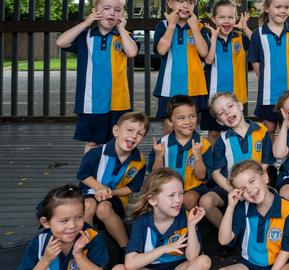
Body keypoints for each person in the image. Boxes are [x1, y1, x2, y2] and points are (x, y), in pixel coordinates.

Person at [55, 0, 138, 152]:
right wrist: (87, 22)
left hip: (118, 101)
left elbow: (132, 52)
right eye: (106, 8)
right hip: (91, 102)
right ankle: (88, 175)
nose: (112, 13)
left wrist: (121, 29)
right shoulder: (85, 36)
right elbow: (61, 42)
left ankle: (110, 176)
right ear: (95, 11)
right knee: (92, 143)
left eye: (117, 10)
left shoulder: (123, 36)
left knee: (117, 142)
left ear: (122, 14)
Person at [199, 92, 275, 229]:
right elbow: (215, 173)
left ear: (240, 106)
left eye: (230, 106)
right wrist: (232, 191)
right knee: (206, 201)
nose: (227, 113)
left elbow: (266, 163)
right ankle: (229, 233)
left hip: (256, 185)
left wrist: (254, 185)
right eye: (221, 113)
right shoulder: (222, 140)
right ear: (219, 121)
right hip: (232, 188)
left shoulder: (262, 131)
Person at [77, 112, 149, 251]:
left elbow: (133, 187)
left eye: (140, 133)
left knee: (103, 208)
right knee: (88, 205)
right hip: (90, 192)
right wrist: (99, 188)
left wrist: (111, 193)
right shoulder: (97, 153)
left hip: (115, 199)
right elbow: (83, 175)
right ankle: (87, 247)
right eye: (129, 130)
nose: (134, 136)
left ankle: (127, 248)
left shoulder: (139, 161)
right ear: (116, 130)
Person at [114, 168, 211, 270]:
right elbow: (130, 264)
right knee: (118, 268)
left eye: (181, 193)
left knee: (204, 260)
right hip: (151, 268)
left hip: (179, 267)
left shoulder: (186, 216)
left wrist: (191, 226)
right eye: (171, 195)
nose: (178, 200)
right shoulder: (141, 222)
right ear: (152, 200)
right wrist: (164, 248)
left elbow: (192, 257)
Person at [218, 160, 289, 270]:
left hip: (279, 265)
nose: (250, 190)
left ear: (265, 178)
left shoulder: (287, 209)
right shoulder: (242, 208)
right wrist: (230, 206)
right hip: (250, 264)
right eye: (243, 189)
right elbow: (224, 240)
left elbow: (286, 250)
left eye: (251, 181)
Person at [153, 0, 210, 134]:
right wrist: (171, 26)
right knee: (169, 127)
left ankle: (191, 157)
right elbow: (161, 49)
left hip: (194, 86)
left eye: (190, 2)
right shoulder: (163, 25)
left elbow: (204, 53)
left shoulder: (199, 26)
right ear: (170, 4)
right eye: (181, 1)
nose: (186, 5)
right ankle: (167, 157)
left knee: (191, 127)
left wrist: (195, 28)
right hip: (169, 87)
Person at [248, 0, 289, 138]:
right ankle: (269, 160)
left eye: (286, 7)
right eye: (278, 7)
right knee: (269, 129)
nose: (282, 11)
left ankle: (288, 160)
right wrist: (265, 79)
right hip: (268, 94)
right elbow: (255, 62)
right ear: (266, 8)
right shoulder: (259, 34)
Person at [19, 185, 109, 270]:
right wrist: (45, 260)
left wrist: (78, 255)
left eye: (79, 217)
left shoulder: (92, 237)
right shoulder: (39, 242)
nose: (72, 226)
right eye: (64, 220)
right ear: (46, 222)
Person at [148, 95, 212, 210]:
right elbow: (156, 175)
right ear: (170, 121)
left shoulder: (203, 144)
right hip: (167, 188)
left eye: (192, 116)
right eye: (181, 118)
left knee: (189, 199)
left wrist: (198, 156)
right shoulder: (162, 143)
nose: (188, 121)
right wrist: (158, 157)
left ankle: (188, 226)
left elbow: (201, 176)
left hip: (193, 188)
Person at [202, 0, 252, 144]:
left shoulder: (240, 37)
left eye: (230, 17)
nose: (227, 21)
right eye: (222, 17)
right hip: (214, 96)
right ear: (213, 19)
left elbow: (259, 44)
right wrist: (214, 38)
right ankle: (210, 163)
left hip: (236, 96)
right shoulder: (208, 36)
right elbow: (208, 60)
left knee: (237, 130)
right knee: (214, 132)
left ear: (236, 18)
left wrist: (245, 29)